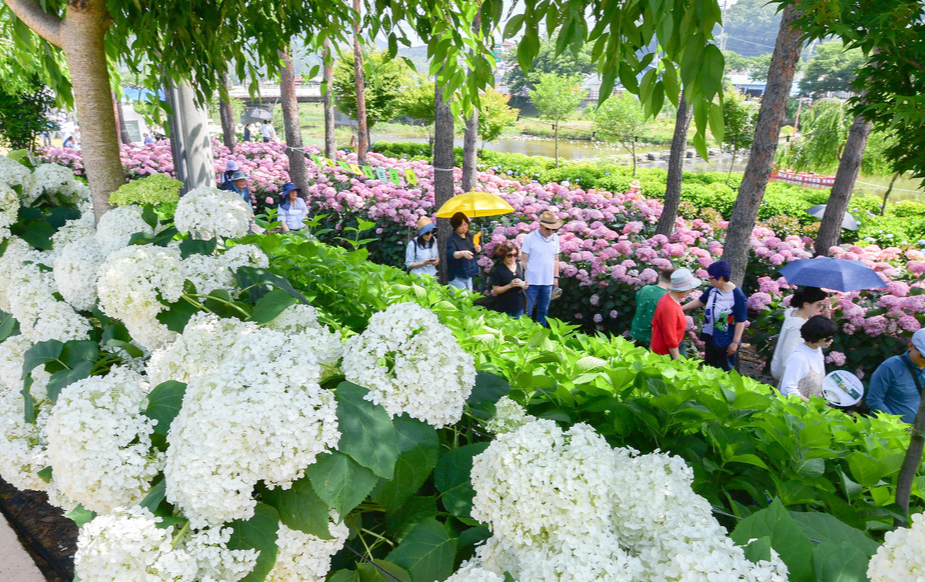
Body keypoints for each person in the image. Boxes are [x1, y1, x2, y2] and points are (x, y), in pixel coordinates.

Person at [683, 260, 747, 372]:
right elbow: (701, 301)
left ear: (720, 277)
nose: (709, 280)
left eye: (711, 277)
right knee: (709, 367)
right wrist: (681, 308)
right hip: (710, 336)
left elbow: (740, 320)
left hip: (726, 339)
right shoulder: (713, 289)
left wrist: (735, 342)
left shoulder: (737, 295)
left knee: (724, 368)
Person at [770, 287, 830, 381]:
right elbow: (788, 354)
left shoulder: (793, 313)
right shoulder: (798, 326)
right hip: (790, 375)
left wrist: (825, 321)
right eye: (819, 305)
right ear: (806, 304)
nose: (821, 308)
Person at [867, 329, 925, 424]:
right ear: (911, 346)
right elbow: (874, 400)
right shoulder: (890, 367)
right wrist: (897, 423)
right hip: (890, 432)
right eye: (923, 356)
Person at [778, 315, 838, 401]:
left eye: (832, 337)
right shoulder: (799, 357)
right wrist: (810, 403)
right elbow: (787, 389)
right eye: (828, 339)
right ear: (815, 336)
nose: (831, 341)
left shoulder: (818, 350)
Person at [522, 210, 563, 327]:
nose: (550, 231)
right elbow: (523, 259)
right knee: (527, 311)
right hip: (531, 281)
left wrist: (556, 277)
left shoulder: (555, 238)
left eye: (553, 229)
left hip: (548, 281)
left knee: (543, 312)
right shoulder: (530, 238)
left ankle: (541, 336)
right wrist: (522, 279)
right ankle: (524, 334)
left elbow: (556, 259)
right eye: (547, 229)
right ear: (541, 225)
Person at [651, 269, 701, 360]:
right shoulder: (669, 306)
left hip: (669, 347)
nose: (692, 291)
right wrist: (677, 359)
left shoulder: (668, 298)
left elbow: (654, 324)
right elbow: (670, 336)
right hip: (666, 353)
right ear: (684, 290)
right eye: (691, 289)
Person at [629, 266, 675, 348]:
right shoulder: (668, 298)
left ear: (659, 278)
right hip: (652, 338)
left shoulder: (645, 289)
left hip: (635, 332)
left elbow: (637, 301)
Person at [490, 241, 528, 317]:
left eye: (515, 254)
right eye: (509, 255)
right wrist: (509, 286)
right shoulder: (499, 270)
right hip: (504, 307)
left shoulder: (519, 266)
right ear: (503, 256)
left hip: (519, 305)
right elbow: (496, 290)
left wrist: (525, 285)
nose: (513, 257)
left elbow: (523, 281)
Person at [446, 212, 481, 292]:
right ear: (455, 227)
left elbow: (474, 248)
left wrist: (478, 248)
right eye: (460, 226)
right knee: (462, 300)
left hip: (468, 273)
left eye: (465, 224)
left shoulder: (469, 236)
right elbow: (451, 254)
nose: (464, 228)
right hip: (457, 276)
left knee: (469, 300)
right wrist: (462, 253)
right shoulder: (451, 240)